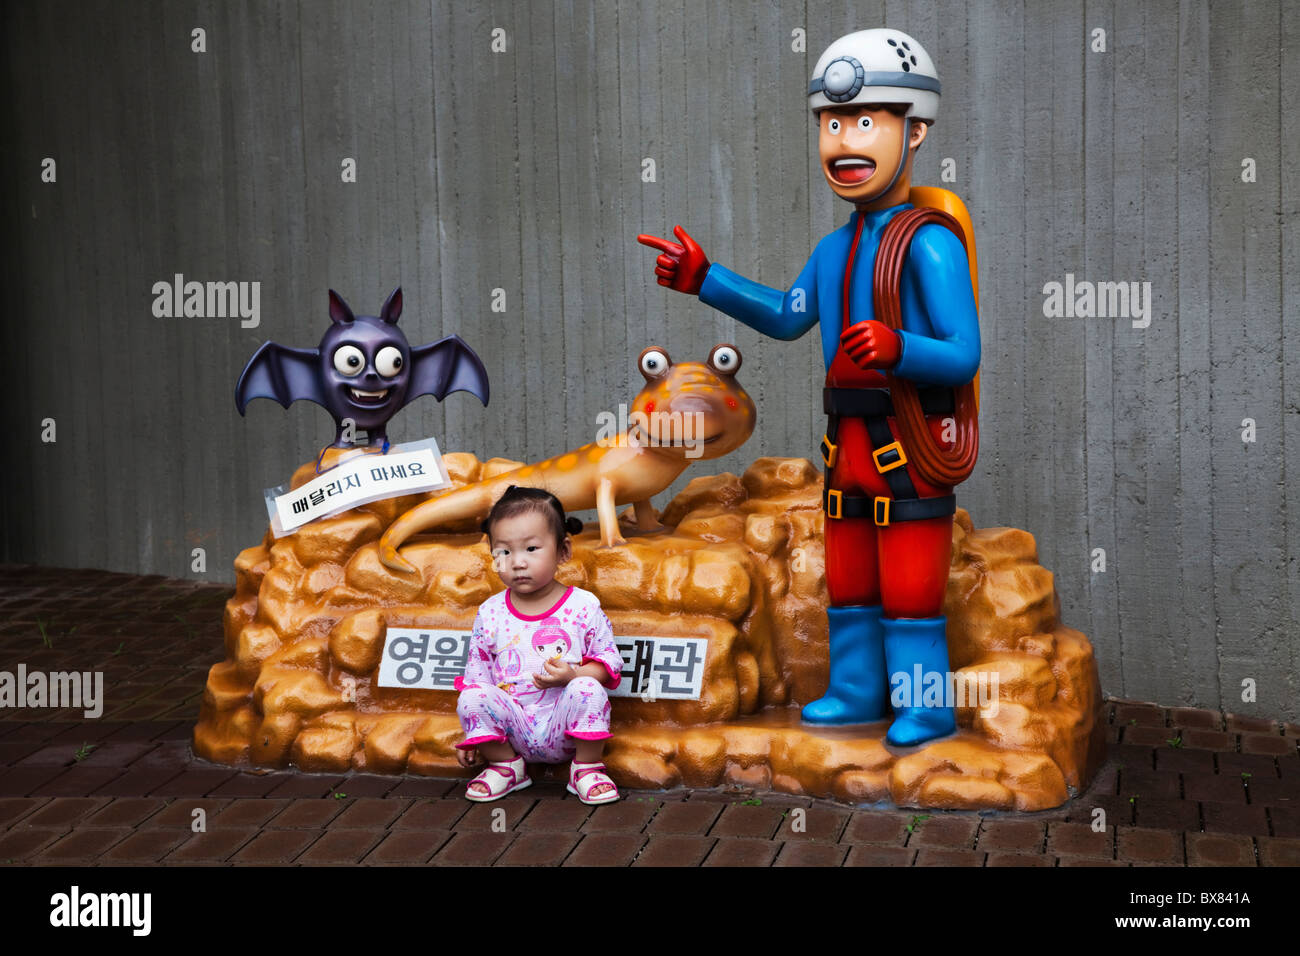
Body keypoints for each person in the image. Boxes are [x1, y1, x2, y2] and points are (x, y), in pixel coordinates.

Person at [637, 29, 979, 747]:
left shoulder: (930, 243)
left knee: (912, 586)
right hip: (846, 444)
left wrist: (900, 347)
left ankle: (925, 705)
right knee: (850, 576)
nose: (843, 141)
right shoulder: (833, 250)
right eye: (831, 123)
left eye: (863, 121)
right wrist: (707, 280)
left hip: (905, 443)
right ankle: (857, 689)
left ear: (914, 131)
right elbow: (789, 318)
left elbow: (963, 354)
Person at [454, 485, 623, 803]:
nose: (517, 562)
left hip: (566, 725)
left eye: (531, 549)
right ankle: (506, 765)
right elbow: (479, 674)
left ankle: (586, 769)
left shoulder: (582, 606)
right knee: (472, 695)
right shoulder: (490, 611)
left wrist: (572, 676)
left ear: (564, 551)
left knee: (587, 688)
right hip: (512, 726)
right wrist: (478, 735)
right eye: (503, 552)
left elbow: (609, 661)